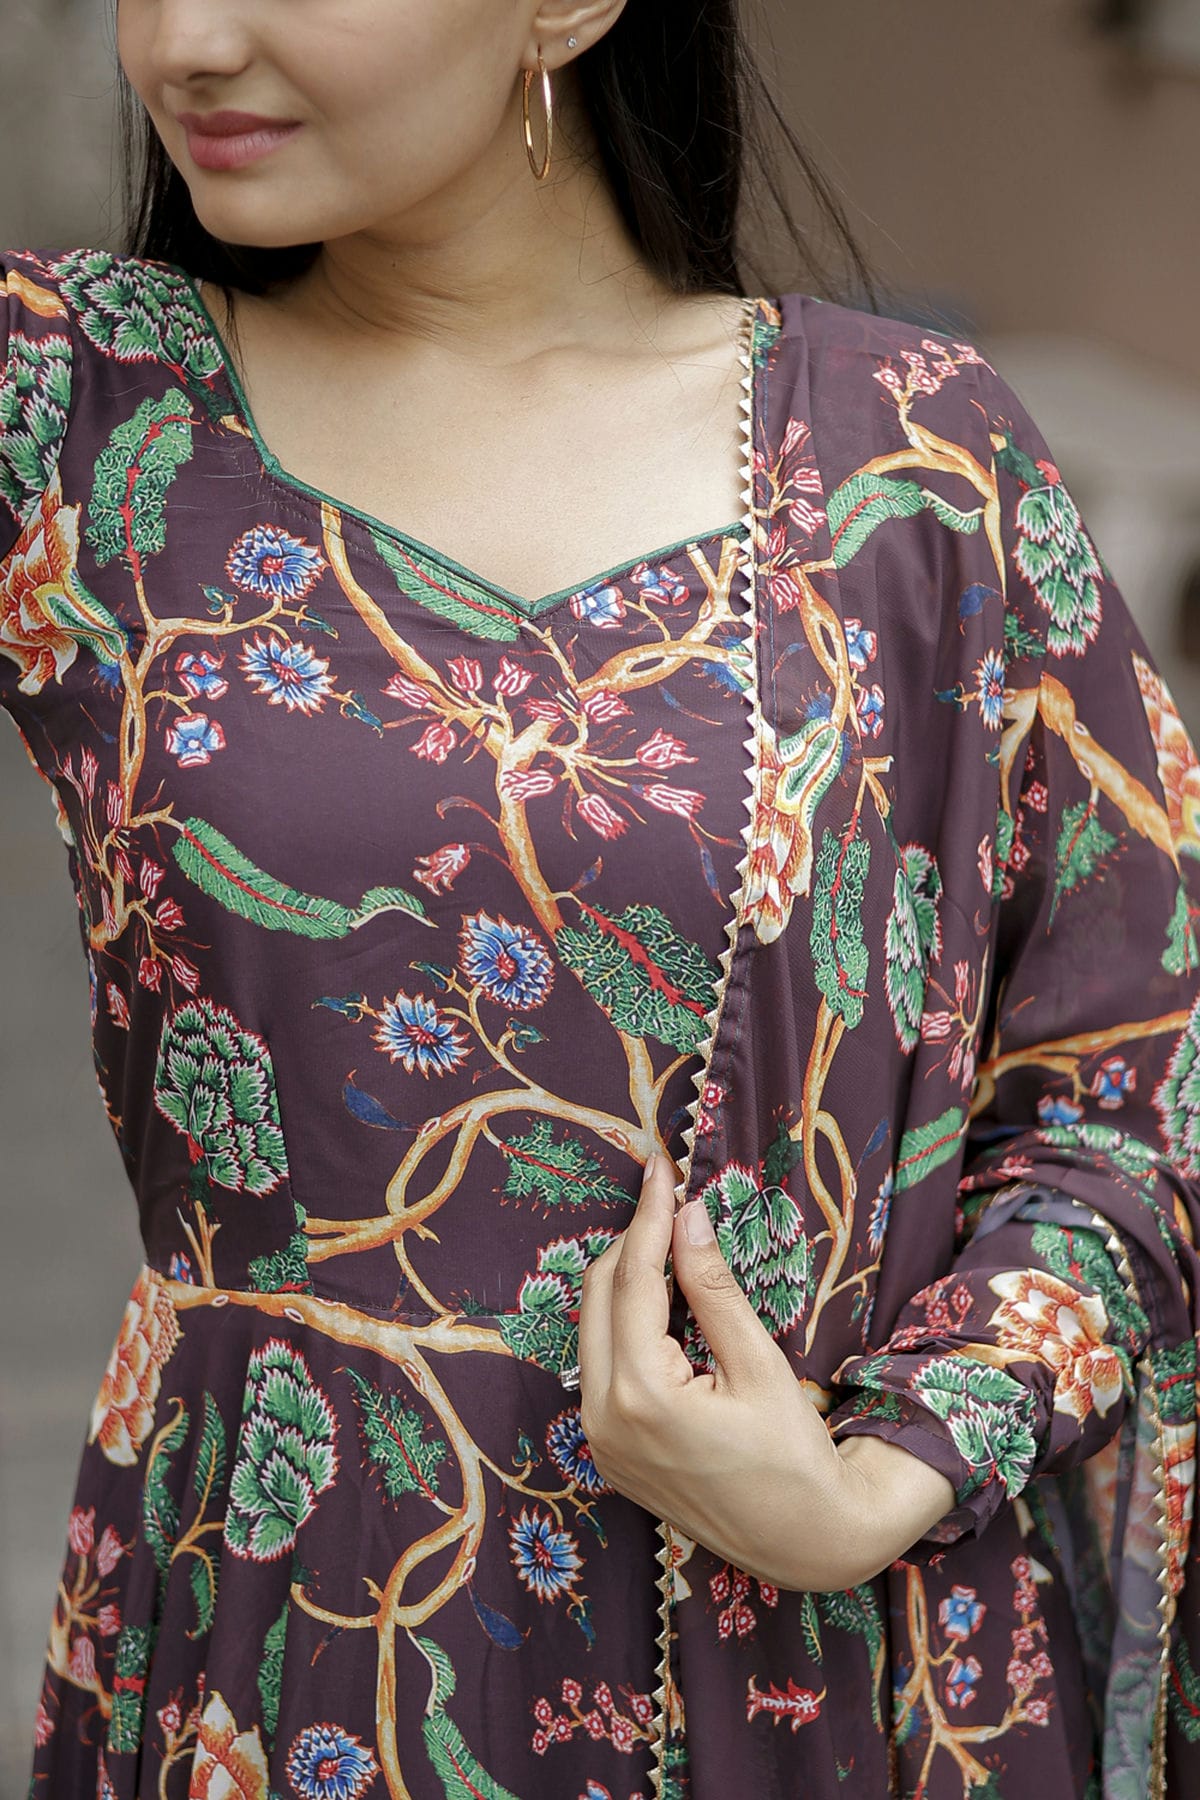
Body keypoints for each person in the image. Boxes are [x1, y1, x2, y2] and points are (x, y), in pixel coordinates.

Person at [3, 3, 1198, 1796]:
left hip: (830, 1665)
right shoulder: (75, 407)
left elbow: (1142, 1071)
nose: (183, 40)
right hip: (304, 1627)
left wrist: (884, 1475)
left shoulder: (913, 460)